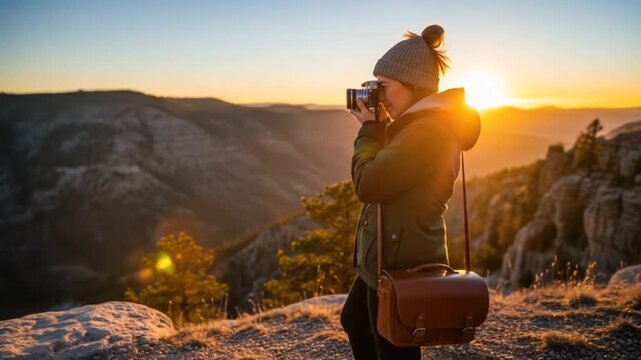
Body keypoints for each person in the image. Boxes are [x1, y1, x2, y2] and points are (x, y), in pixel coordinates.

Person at [339, 24, 481, 359]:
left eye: (384, 86)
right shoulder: (415, 126)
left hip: (402, 258)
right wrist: (382, 125)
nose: (378, 94)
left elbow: (369, 184)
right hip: (386, 256)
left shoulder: (427, 132)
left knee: (394, 345)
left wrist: (370, 129)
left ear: (413, 86)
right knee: (356, 321)